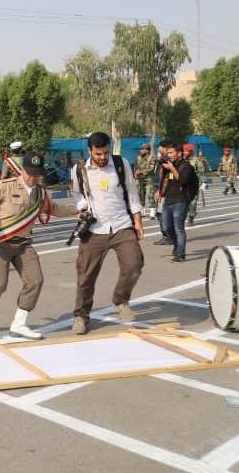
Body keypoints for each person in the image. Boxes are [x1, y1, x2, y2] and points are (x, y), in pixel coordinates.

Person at [0, 151, 76, 339]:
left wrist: (78, 210)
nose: (33, 178)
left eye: (38, 174)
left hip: (23, 244)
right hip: (1, 243)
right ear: (23, 170)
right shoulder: (5, 186)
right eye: (31, 173)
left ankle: (19, 323)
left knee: (35, 280)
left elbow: (55, 209)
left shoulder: (39, 193)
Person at [71, 133, 145, 335]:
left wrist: (138, 222)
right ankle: (81, 316)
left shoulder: (121, 165)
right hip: (94, 230)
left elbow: (131, 192)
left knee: (134, 264)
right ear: (89, 151)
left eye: (105, 153)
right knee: (85, 276)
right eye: (98, 154)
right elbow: (77, 193)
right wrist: (82, 206)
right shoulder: (79, 170)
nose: (103, 157)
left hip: (122, 225)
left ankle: (121, 300)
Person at [157, 143, 198, 263]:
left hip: (181, 201)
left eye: (171, 153)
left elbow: (183, 180)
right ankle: (176, 245)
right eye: (167, 153)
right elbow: (163, 179)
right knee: (166, 227)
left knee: (178, 228)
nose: (168, 155)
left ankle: (181, 253)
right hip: (168, 200)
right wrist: (158, 191)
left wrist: (172, 169)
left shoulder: (186, 166)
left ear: (179, 153)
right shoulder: (170, 165)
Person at [184, 144, 206, 226]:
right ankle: (188, 214)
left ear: (190, 152)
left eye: (186, 151)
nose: (184, 152)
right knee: (185, 202)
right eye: (184, 151)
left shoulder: (196, 160)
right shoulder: (182, 160)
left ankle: (191, 217)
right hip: (184, 184)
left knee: (193, 202)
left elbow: (201, 172)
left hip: (194, 185)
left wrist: (203, 182)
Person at [134, 144, 157, 211]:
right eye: (140, 149)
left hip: (149, 179)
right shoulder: (138, 158)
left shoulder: (151, 158)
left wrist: (141, 172)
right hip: (140, 179)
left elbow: (151, 169)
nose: (140, 151)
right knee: (140, 195)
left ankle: (152, 211)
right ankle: (141, 210)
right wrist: (135, 176)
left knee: (150, 195)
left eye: (142, 149)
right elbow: (135, 168)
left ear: (147, 150)